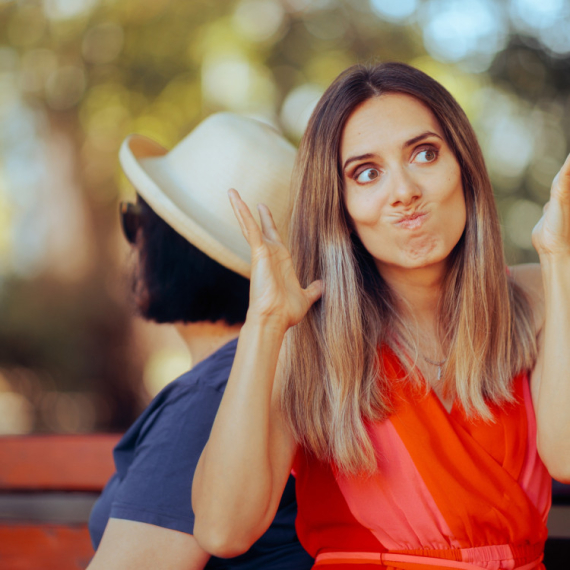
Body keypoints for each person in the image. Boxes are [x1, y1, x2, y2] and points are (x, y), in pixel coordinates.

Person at [191, 63, 570, 569]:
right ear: (339, 205)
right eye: (366, 173)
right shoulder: (302, 335)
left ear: (464, 167)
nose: (404, 191)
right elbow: (223, 530)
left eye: (424, 153)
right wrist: (263, 324)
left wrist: (558, 261)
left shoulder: (538, 292)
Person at [87, 113, 314, 570]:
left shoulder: (212, 398)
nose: (132, 245)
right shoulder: (260, 374)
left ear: (177, 250)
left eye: (136, 223)